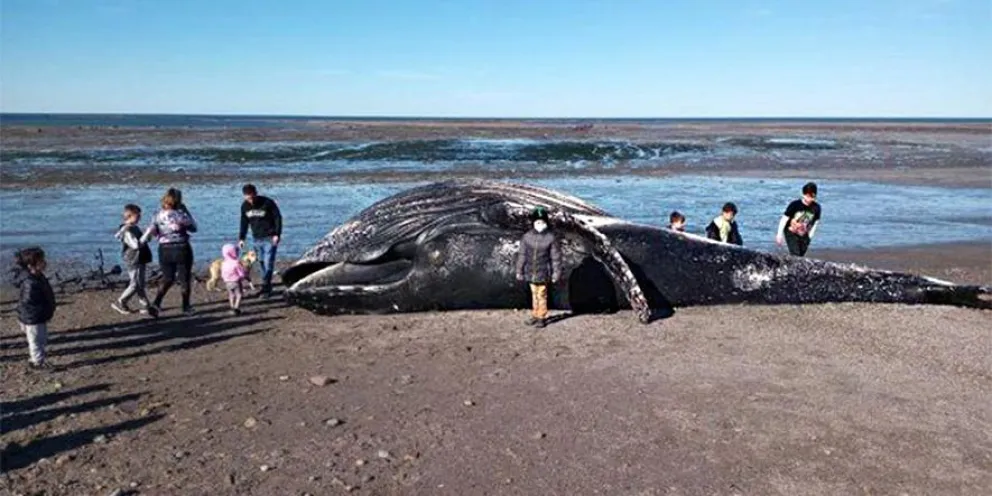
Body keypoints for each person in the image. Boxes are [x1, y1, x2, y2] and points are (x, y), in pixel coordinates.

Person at [142, 188, 198, 315]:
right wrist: (186, 211)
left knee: (168, 277)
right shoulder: (181, 214)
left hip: (164, 248)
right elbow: (194, 228)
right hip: (181, 247)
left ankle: (156, 303)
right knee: (184, 278)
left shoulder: (157, 215)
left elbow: (153, 231)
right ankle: (186, 306)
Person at [514, 207, 562, 329]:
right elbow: (522, 255)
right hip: (531, 272)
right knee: (534, 295)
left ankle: (541, 317)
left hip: (543, 272)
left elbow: (555, 257)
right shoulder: (527, 237)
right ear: (533, 223)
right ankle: (535, 314)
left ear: (546, 223)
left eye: (542, 222)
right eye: (537, 222)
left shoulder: (550, 238)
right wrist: (519, 270)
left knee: (541, 295)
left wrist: (556, 273)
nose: (540, 224)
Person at [14, 247, 56, 369]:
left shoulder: (38, 276)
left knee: (41, 338)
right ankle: (37, 362)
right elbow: (28, 302)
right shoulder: (30, 283)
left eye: (44, 259)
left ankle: (37, 358)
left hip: (38, 316)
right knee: (36, 340)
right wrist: (42, 311)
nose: (45, 263)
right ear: (31, 265)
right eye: (41, 261)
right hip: (33, 318)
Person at [112, 204, 157, 317]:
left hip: (140, 258)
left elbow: (143, 240)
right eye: (137, 215)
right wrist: (147, 233)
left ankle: (146, 305)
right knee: (135, 283)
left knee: (140, 283)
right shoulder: (127, 230)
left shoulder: (134, 228)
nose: (140, 217)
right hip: (133, 259)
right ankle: (121, 302)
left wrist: (149, 234)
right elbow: (135, 245)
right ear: (129, 216)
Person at [238, 184, 282, 298]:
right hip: (256, 238)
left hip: (270, 237)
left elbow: (278, 218)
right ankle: (266, 285)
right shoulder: (245, 206)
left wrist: (277, 234)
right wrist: (242, 238)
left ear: (255, 193)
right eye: (248, 197)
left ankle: (266, 288)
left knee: (268, 262)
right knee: (261, 262)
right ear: (244, 196)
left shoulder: (267, 203)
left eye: (252, 197)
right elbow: (244, 222)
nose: (250, 200)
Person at [776, 182, 821, 257]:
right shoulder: (795, 205)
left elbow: (815, 223)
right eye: (807, 196)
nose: (809, 199)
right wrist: (779, 234)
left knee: (801, 255)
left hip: (804, 234)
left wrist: (809, 237)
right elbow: (784, 219)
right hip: (790, 232)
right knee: (795, 254)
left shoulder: (816, 208)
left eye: (812, 197)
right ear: (803, 194)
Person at [220, 243, 248, 315]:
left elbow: (223, 273)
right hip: (236, 281)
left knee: (231, 294)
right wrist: (244, 276)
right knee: (239, 295)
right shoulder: (236, 263)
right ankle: (236, 308)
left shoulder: (224, 263)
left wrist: (225, 279)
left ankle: (231, 306)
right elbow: (241, 273)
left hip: (227, 282)